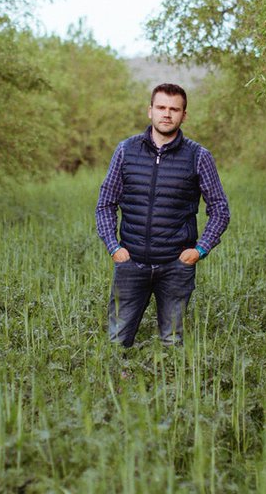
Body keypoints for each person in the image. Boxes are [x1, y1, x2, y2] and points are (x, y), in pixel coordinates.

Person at [95, 82, 230, 347]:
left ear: (183, 115)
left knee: (172, 343)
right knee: (116, 341)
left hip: (176, 267)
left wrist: (199, 250)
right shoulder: (125, 151)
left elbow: (220, 210)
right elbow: (105, 204)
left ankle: (173, 387)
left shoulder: (199, 156)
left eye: (174, 109)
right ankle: (117, 386)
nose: (166, 114)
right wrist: (114, 248)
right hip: (131, 264)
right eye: (161, 107)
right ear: (150, 111)